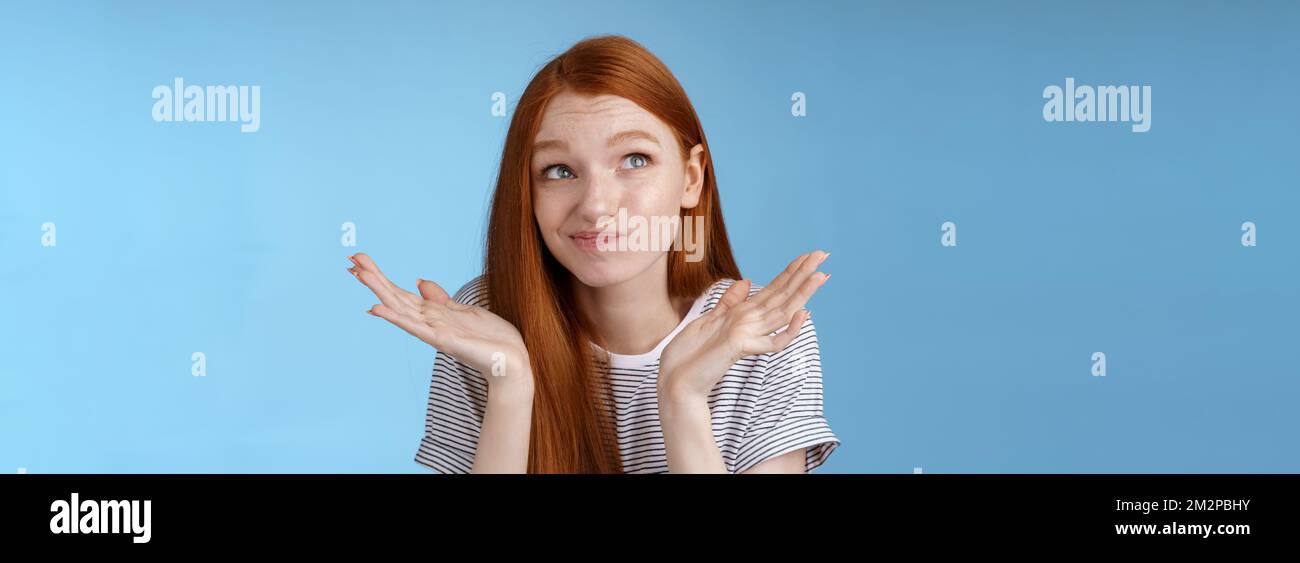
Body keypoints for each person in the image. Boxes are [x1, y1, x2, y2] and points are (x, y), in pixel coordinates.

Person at [348, 35, 838, 473]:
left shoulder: (763, 337)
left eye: (634, 160)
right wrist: (511, 384)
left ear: (691, 179)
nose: (597, 205)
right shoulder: (485, 320)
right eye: (559, 170)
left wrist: (682, 400)